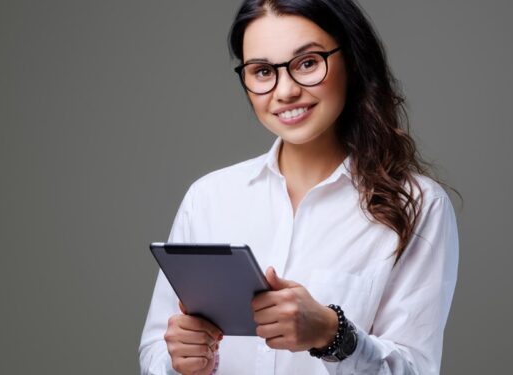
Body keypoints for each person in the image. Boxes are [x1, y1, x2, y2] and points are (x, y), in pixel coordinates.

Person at [139, 0, 459, 374]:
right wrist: (180, 361)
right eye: (262, 71)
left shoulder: (417, 205)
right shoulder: (209, 199)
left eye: (307, 63)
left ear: (352, 60)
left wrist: (333, 334)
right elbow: (155, 357)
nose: (285, 90)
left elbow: (415, 369)